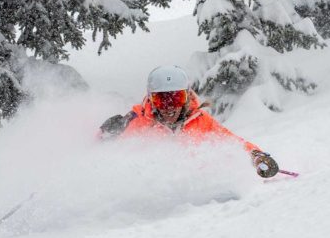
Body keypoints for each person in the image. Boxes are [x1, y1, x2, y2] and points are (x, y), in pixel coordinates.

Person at [99, 65, 279, 178]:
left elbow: (233, 142)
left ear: (186, 97)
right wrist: (104, 135)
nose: (169, 107)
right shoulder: (138, 121)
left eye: (176, 98)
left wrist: (257, 156)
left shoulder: (200, 121)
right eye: (162, 100)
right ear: (151, 99)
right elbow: (104, 159)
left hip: (195, 191)